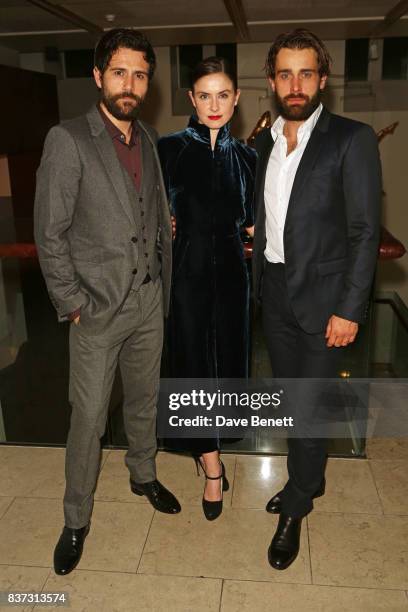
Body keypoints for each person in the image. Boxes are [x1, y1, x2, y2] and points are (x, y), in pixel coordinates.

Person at [34, 28, 181, 576]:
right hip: (95, 310)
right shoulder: (68, 139)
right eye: (119, 72)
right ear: (98, 76)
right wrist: (72, 304)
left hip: (147, 301)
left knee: (144, 401)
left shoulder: (147, 137)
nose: (130, 83)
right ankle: (76, 518)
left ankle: (143, 473)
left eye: (140, 74)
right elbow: (50, 231)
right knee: (89, 417)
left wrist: (163, 266)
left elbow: (151, 212)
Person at [252, 29, 381, 570]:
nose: (295, 83)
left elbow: (365, 231)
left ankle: (297, 506)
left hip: (327, 300)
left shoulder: (351, 138)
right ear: (272, 81)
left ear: (322, 79)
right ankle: (311, 478)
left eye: (306, 73)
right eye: (285, 73)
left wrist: (350, 309)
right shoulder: (262, 140)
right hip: (275, 292)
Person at [158, 57, 256, 520]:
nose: (214, 105)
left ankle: (213, 445)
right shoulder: (168, 150)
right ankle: (212, 468)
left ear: (235, 99)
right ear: (191, 100)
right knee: (195, 369)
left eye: (223, 95)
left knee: (229, 369)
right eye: (204, 95)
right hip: (188, 278)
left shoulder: (250, 157)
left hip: (235, 281)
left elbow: (257, 222)